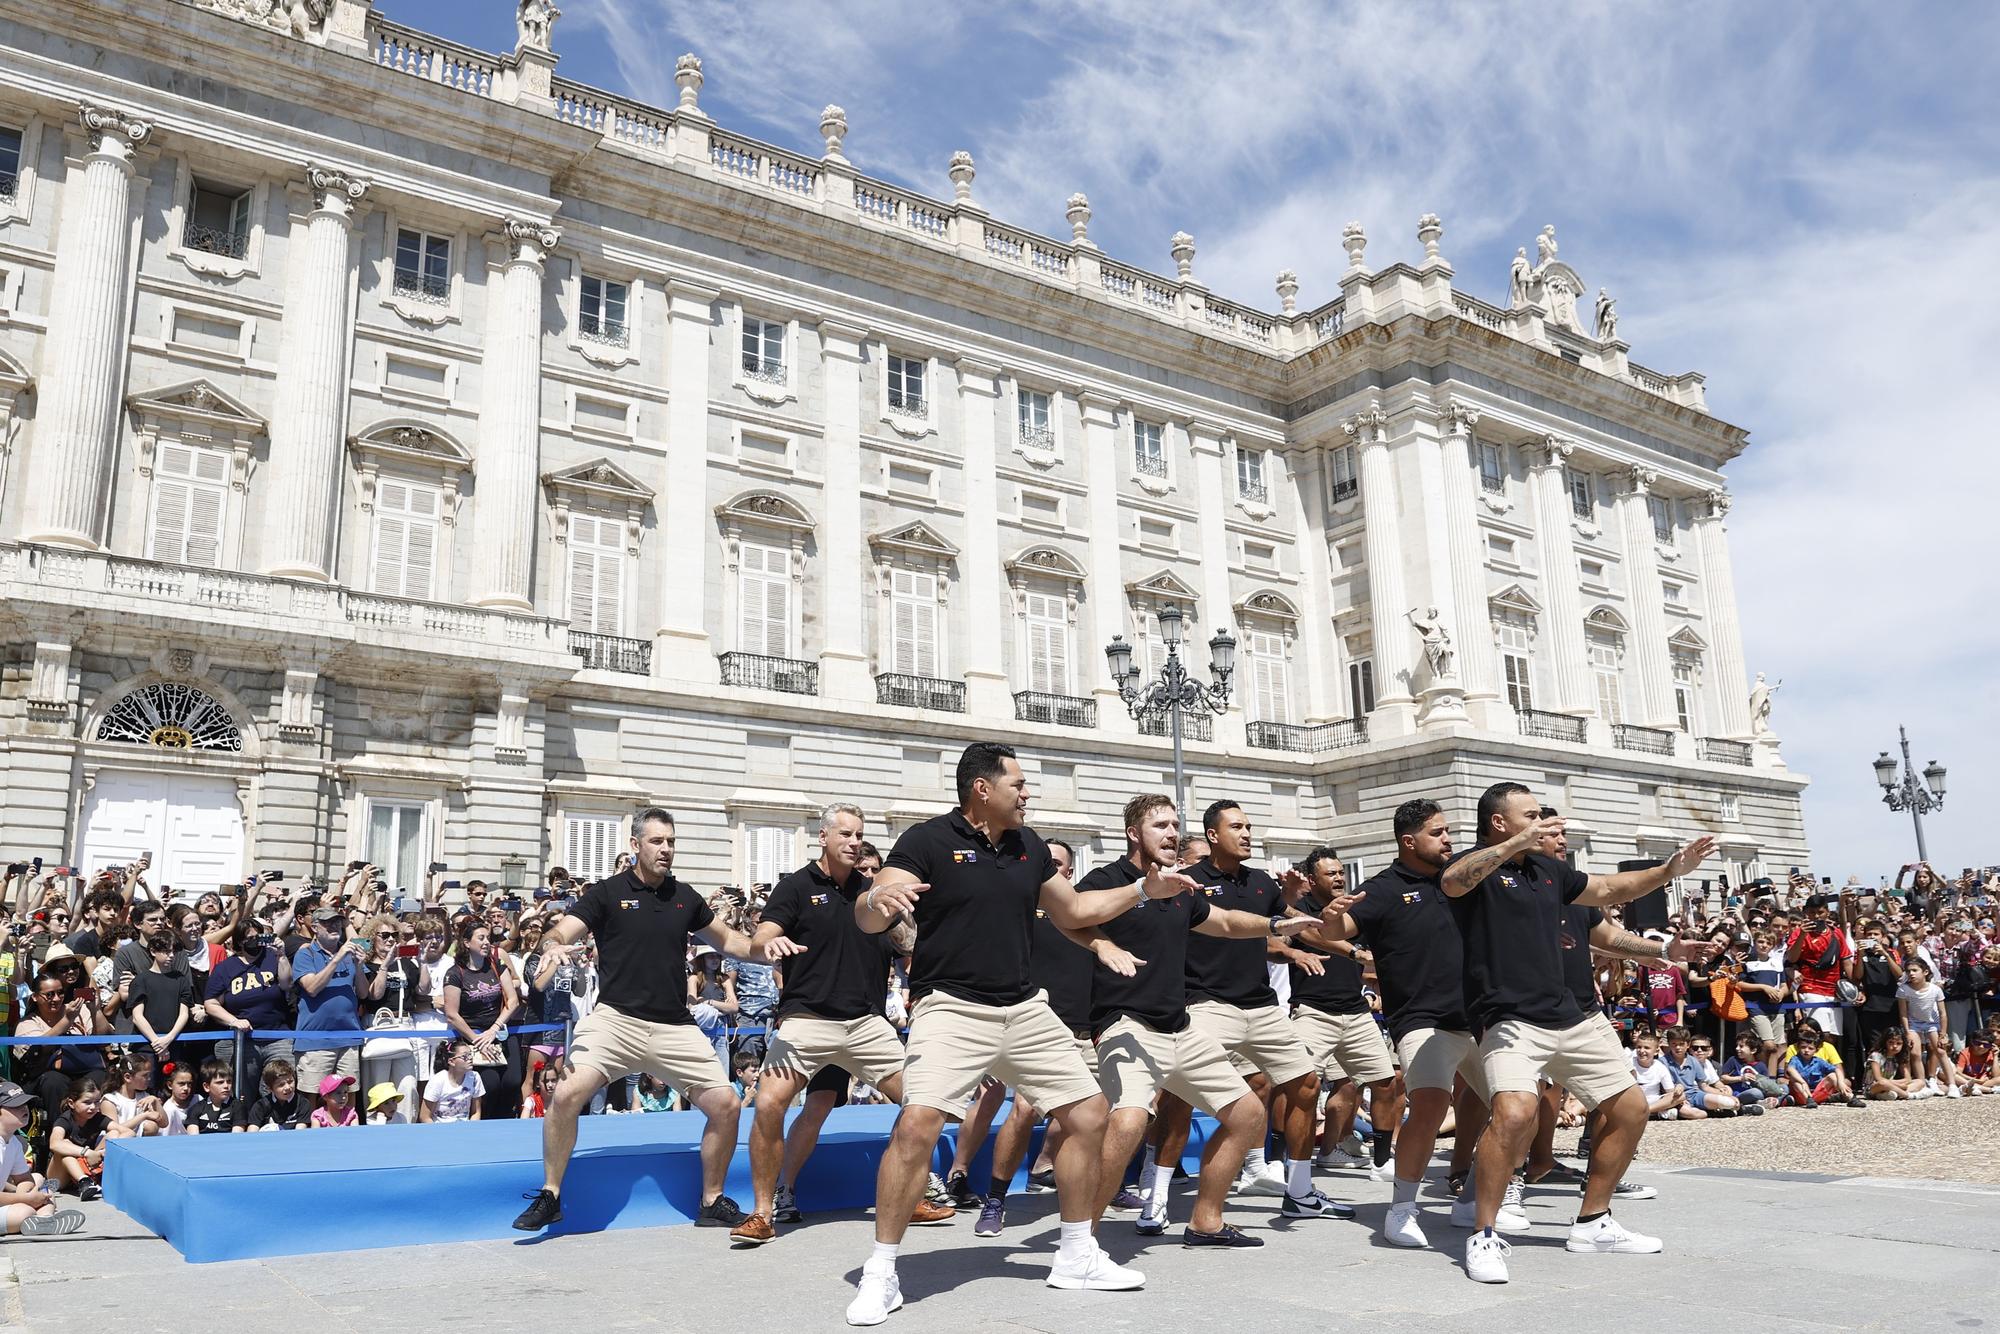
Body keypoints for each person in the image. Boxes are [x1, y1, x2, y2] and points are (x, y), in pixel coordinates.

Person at [843, 743, 1194, 1325]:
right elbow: (871, 910)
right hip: (951, 1006)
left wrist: (1141, 892)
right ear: (983, 789)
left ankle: (1078, 1254)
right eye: (1019, 784)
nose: (1027, 793)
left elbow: (1076, 908)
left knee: (1088, 1115)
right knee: (918, 1122)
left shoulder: (1030, 846)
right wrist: (877, 899)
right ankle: (881, 1273)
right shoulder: (926, 840)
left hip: (1025, 1008)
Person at [1441, 781, 1715, 1283]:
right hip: (1510, 1019)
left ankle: (1593, 1222)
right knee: (1515, 1112)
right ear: (1500, 823)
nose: (1546, 824)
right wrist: (1510, 847)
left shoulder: (1551, 872)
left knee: (1631, 1108)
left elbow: (1610, 891)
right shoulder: (1478, 867)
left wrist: (1670, 870)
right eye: (1531, 816)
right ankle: (1483, 1234)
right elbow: (1454, 882)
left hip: (1573, 1016)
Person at [514, 808, 791, 1235]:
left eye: (671, 842)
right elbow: (563, 931)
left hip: (674, 1027)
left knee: (727, 1104)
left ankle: (712, 1200)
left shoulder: (685, 897)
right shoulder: (606, 893)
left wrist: (765, 948)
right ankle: (550, 1194)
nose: (666, 849)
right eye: (657, 841)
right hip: (615, 1021)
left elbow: (733, 942)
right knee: (567, 1093)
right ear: (636, 845)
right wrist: (551, 945)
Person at [1082, 794, 1316, 1247]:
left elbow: (1226, 922)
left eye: (1175, 825)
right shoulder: (1106, 879)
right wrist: (1101, 945)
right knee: (1130, 1121)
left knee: (1248, 1115)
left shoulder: (1181, 889)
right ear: (1134, 834)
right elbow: (1069, 916)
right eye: (1160, 827)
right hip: (1125, 1022)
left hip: (1179, 1027)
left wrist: (1274, 926)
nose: (1171, 834)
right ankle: (1081, 1236)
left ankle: (1205, 1220)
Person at [730, 803, 952, 1245]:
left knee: (925, 1102)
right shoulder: (795, 887)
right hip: (807, 1020)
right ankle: (764, 1210)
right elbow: (761, 938)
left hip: (866, 1025)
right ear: (824, 837)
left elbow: (910, 948)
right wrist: (771, 944)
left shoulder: (874, 893)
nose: (853, 843)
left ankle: (909, 1192)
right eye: (846, 835)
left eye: (859, 835)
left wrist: (906, 915)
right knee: (770, 1103)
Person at [1309, 799, 1501, 1251]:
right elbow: (1335, 931)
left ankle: (1473, 1197)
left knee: (1520, 1108)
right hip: (1421, 1018)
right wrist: (1335, 918)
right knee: (1431, 1105)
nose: (1448, 839)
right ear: (1409, 840)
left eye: (1449, 831)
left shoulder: (1461, 878)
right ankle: (1401, 1211)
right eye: (1438, 833)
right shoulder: (1382, 889)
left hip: (1479, 1014)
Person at [1152, 800, 1340, 1224]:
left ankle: (1300, 1191)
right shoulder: (1188, 882)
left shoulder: (1260, 883)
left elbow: (1294, 924)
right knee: (1178, 1097)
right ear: (1213, 835)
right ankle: (1157, 1194)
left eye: (1250, 826)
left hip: (1262, 1008)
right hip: (1207, 1004)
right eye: (1237, 826)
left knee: (1307, 1085)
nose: (1248, 833)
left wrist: (1334, 930)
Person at [1282, 847, 1403, 1184]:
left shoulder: (1355, 913)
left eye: (1340, 872)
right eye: (1330, 873)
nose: (1338, 877)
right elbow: (1305, 934)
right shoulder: (1299, 909)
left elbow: (1368, 961)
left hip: (1355, 1013)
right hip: (1312, 1012)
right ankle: (1285, 1164)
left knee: (1385, 1083)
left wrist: (1371, 990)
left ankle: (1381, 1162)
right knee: (1297, 1087)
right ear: (1311, 879)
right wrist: (1355, 952)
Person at [203, 921, 295, 1123]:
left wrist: (281, 955)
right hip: (244, 1039)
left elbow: (287, 983)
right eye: (250, 938)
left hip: (276, 1036)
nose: (255, 942)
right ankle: (245, 1126)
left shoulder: (272, 958)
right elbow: (210, 1002)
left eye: (259, 937)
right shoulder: (225, 968)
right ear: (240, 941)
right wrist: (234, 1020)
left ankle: (280, 1125)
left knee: (280, 1084)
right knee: (244, 1091)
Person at [443, 918, 523, 1119]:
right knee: (490, 1084)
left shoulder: (496, 965)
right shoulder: (455, 973)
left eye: (488, 937)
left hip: (499, 1031)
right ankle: (485, 1122)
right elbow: (452, 1014)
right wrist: (477, 1039)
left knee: (513, 1080)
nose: (487, 942)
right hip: (474, 1037)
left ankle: (504, 1121)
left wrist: (494, 1029)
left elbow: (512, 1001)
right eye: (481, 938)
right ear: (467, 943)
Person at [292, 908, 364, 1105]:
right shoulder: (305, 954)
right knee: (312, 1096)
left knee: (349, 1095)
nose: (334, 926)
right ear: (314, 927)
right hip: (315, 1038)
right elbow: (312, 988)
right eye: (327, 923)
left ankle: (345, 1132)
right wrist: (338, 957)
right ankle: (310, 1135)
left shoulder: (350, 953)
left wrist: (358, 966)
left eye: (337, 922)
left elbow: (364, 993)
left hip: (348, 1036)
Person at [0, 1081, 86, 1235]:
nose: (24, 1108)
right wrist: (26, 1199)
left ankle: (45, 1220)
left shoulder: (13, 1142)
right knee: (24, 1212)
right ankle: (39, 1218)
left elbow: (24, 1179)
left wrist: (29, 1195)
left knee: (43, 1187)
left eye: (26, 1104)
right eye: (15, 1105)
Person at [1897, 959, 1960, 1097]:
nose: (1911, 974)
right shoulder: (1903, 989)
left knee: (1940, 1051)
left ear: (1925, 972)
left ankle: (1952, 1085)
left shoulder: (1935, 989)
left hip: (1932, 1023)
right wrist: (1907, 1032)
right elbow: (1903, 1013)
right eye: (1908, 971)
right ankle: (1922, 1083)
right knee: (1915, 1053)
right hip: (1913, 1023)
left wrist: (1943, 1034)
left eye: (1915, 970)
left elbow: (1943, 1013)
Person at [47, 1077, 108, 1200]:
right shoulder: (64, 1120)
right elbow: (54, 1144)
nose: (93, 1107)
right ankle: (84, 1182)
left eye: (97, 1102)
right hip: (58, 1178)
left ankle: (91, 1179)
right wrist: (87, 1152)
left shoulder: (98, 1118)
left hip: (85, 1166)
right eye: (87, 1102)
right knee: (64, 1144)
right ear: (71, 1103)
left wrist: (98, 1153)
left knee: (113, 1134)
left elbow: (125, 1132)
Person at [422, 1039, 485, 1122]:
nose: (470, 1058)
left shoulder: (475, 1077)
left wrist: (471, 1129)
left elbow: (476, 1112)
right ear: (451, 1062)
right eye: (465, 1056)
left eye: (470, 1054)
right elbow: (425, 1117)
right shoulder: (438, 1080)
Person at [1864, 1028, 1930, 1100]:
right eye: (1891, 1042)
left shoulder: (1899, 1057)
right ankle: (1908, 1095)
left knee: (1920, 1082)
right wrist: (1899, 1085)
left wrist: (1894, 1084)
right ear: (1885, 1042)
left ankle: (1893, 1094)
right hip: (1874, 1088)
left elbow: (1908, 1079)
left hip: (1890, 1086)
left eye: (1898, 1043)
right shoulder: (1876, 1056)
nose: (1895, 1046)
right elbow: (1878, 1079)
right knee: (1883, 1083)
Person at [247, 1059, 309, 1130]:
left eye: (290, 1081)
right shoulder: (260, 1106)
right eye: (281, 1085)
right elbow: (252, 1131)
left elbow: (300, 1132)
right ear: (270, 1088)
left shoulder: (303, 1103)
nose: (288, 1087)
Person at [1631, 1035, 1685, 1117]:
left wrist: (1678, 1088)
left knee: (1681, 1096)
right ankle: (1656, 1112)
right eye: (1639, 1047)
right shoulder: (1629, 1064)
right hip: (1633, 1100)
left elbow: (1669, 1091)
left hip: (1653, 1101)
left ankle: (1647, 1111)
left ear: (1656, 1051)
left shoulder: (1660, 1067)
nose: (1642, 1051)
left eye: (1646, 1048)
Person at [186, 1060, 237, 1133]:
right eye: (220, 1082)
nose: (226, 1086)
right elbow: (194, 1139)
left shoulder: (238, 1107)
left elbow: (237, 1138)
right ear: (206, 1087)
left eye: (229, 1081)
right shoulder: (195, 1109)